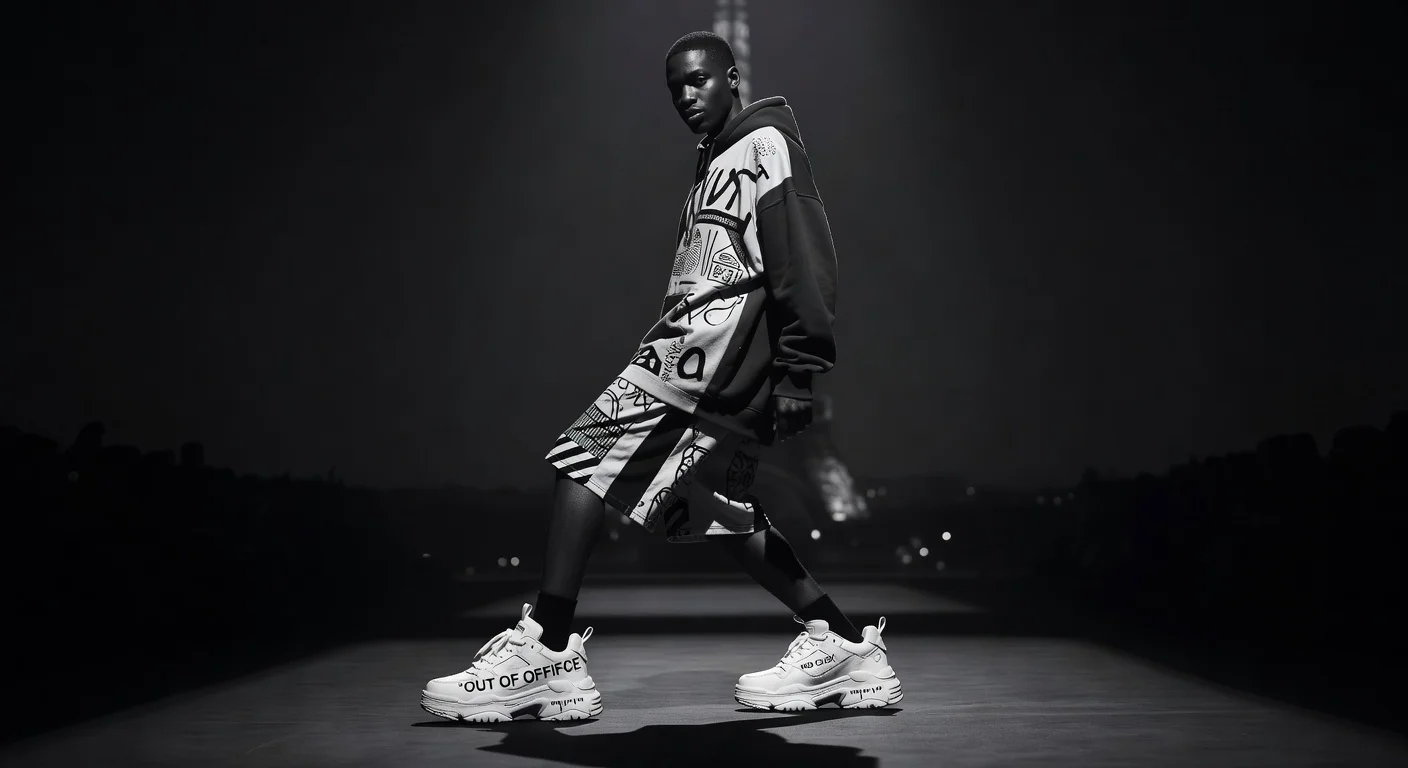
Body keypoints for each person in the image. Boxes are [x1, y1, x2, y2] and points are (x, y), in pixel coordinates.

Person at [421, 31, 902, 722]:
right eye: (675, 86)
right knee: (719, 514)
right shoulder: (708, 167)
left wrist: (800, 370)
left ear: (732, 79)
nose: (685, 96)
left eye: (700, 80)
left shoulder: (766, 147)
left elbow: (802, 258)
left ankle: (548, 648)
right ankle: (845, 644)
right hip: (692, 357)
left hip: (701, 366)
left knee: (581, 456)